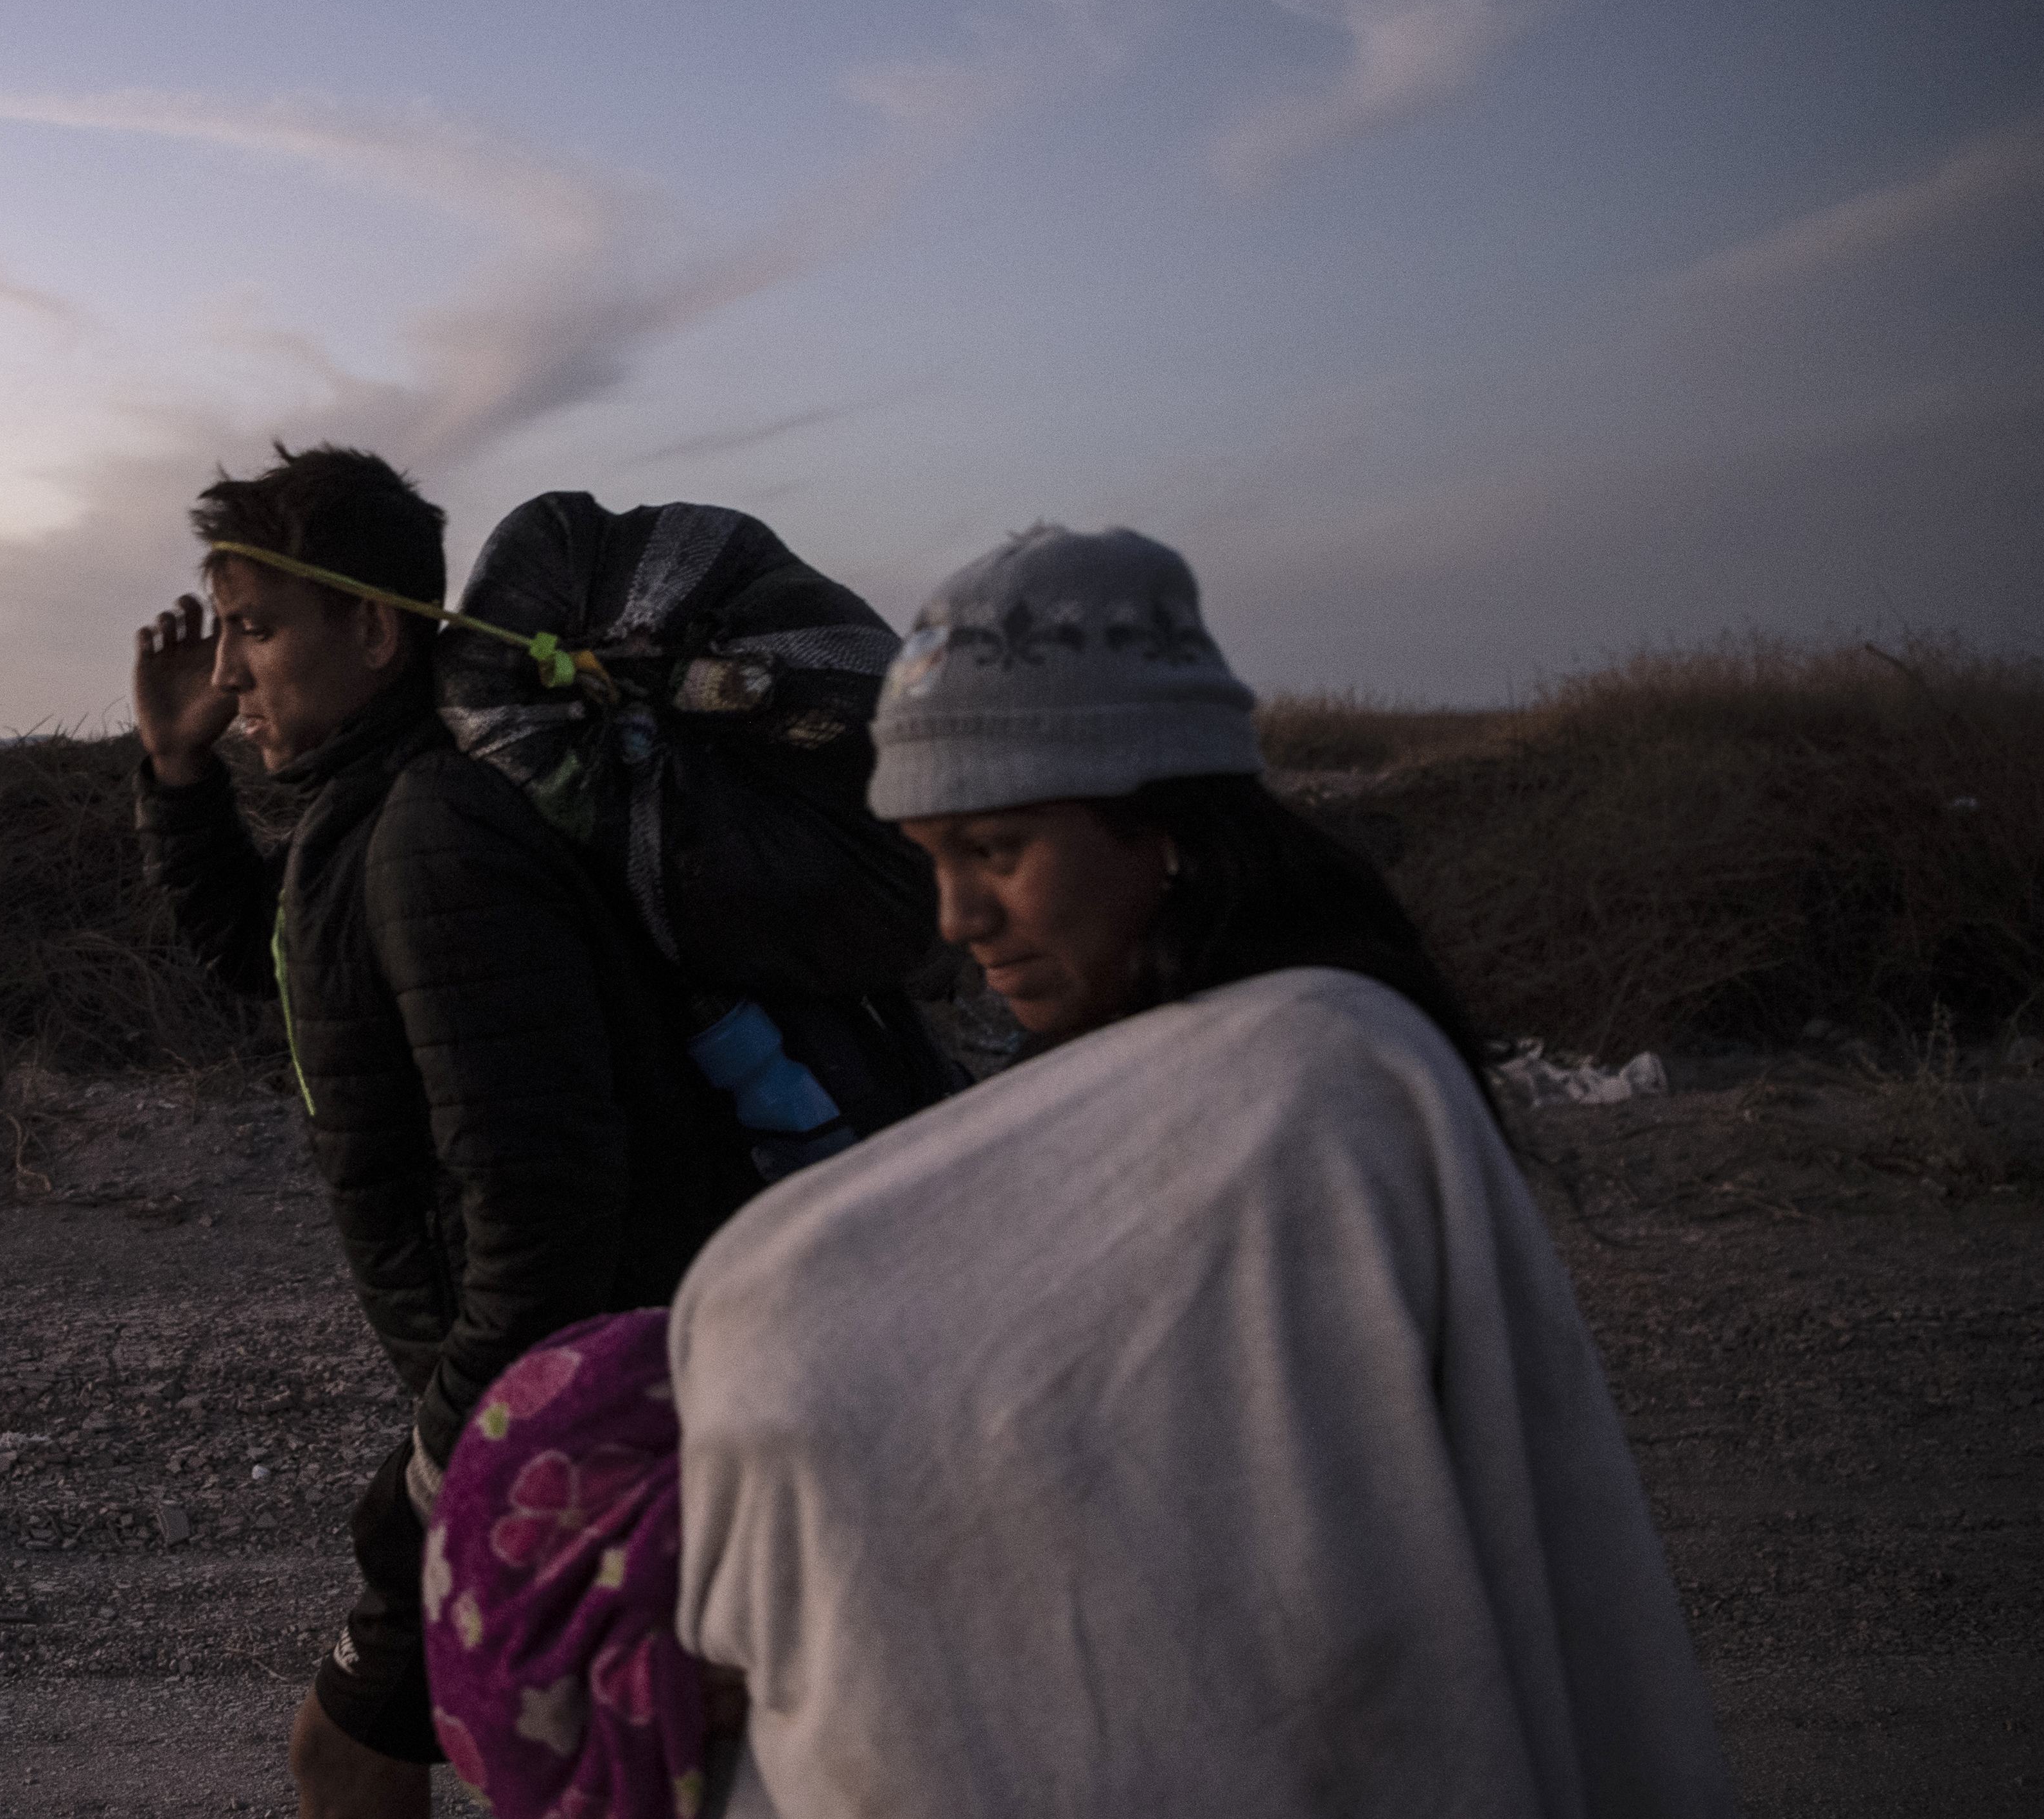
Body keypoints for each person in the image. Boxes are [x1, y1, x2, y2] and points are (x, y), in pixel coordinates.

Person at [654, 523, 1737, 1816]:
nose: (954, 916)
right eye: (931, 857)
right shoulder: (1156, 1094)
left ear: (1163, 827)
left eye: (995, 847)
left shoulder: (1313, 1097)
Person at [132, 444, 757, 1819]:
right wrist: (181, 779)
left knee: (352, 1752)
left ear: (372, 626)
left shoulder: (434, 834)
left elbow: (541, 1211)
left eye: (256, 627)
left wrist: (437, 1470)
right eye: (226, 627)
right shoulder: (373, 812)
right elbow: (285, 966)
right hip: (559, 1397)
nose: (230, 672)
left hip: (574, 1405)